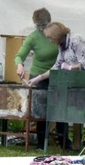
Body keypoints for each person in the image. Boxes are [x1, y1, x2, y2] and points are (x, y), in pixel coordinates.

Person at [27, 21, 85, 154]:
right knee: (78, 111)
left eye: (49, 37)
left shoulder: (76, 41)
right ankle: (76, 146)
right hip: (81, 81)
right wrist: (39, 78)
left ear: (56, 34)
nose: (49, 40)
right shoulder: (62, 46)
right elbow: (56, 67)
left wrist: (70, 67)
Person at [14, 8, 60, 150]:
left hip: (57, 74)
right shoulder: (33, 37)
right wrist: (20, 65)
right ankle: (41, 143)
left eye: (44, 25)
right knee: (41, 110)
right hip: (38, 76)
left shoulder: (56, 33)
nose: (41, 29)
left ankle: (65, 141)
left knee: (61, 107)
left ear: (50, 22)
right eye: (38, 26)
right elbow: (19, 55)